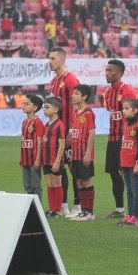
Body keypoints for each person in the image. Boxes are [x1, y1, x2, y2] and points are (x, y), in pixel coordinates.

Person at [48, 47, 80, 216]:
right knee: (60, 169)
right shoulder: (54, 81)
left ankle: (78, 206)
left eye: (53, 58)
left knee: (73, 167)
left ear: (61, 60)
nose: (50, 61)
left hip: (69, 132)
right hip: (57, 133)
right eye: (49, 58)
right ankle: (63, 206)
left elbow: (77, 107)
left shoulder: (71, 79)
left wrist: (73, 131)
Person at [104, 59, 138, 219]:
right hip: (112, 137)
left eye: (111, 71)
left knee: (124, 173)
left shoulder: (128, 91)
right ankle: (119, 208)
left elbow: (136, 115)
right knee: (113, 173)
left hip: (124, 139)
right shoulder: (109, 92)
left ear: (119, 73)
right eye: (106, 70)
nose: (107, 73)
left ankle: (132, 211)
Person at [69, 84, 96, 221]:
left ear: (84, 96)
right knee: (78, 182)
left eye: (76, 93)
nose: (73, 96)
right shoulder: (74, 113)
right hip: (74, 155)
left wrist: (88, 154)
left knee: (86, 181)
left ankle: (90, 212)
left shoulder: (88, 113)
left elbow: (91, 134)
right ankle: (83, 211)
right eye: (73, 93)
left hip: (84, 154)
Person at [119, 98, 138, 226]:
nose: (123, 111)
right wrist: (120, 163)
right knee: (128, 190)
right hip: (124, 162)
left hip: (133, 163)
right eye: (123, 108)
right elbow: (123, 144)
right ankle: (129, 215)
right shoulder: (125, 124)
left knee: (135, 190)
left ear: (135, 110)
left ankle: (136, 216)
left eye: (126, 108)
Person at [42, 97, 66, 218]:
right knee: (49, 184)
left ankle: (57, 209)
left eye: (47, 107)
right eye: (44, 108)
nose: (44, 110)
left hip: (54, 161)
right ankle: (52, 209)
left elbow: (62, 144)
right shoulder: (46, 125)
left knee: (56, 184)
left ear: (56, 109)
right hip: (46, 160)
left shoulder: (59, 125)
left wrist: (57, 162)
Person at [20, 94, 44, 201]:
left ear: (34, 108)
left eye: (27, 104)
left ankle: (37, 211)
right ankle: (30, 208)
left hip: (34, 160)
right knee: (27, 186)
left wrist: (38, 159)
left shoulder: (38, 122)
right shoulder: (24, 122)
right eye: (23, 103)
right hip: (25, 160)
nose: (23, 106)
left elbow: (39, 142)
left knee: (35, 186)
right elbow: (24, 141)